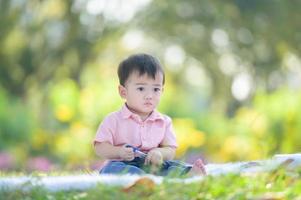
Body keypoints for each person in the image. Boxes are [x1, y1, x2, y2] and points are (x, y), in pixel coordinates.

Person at [93, 53, 206, 176]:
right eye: (141, 89)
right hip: (124, 163)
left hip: (153, 165)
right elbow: (100, 147)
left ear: (162, 91)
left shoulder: (164, 121)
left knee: (173, 165)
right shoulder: (113, 120)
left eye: (156, 89)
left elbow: (170, 150)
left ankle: (187, 174)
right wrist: (119, 152)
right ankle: (142, 178)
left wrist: (159, 153)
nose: (149, 96)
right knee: (112, 168)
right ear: (123, 92)